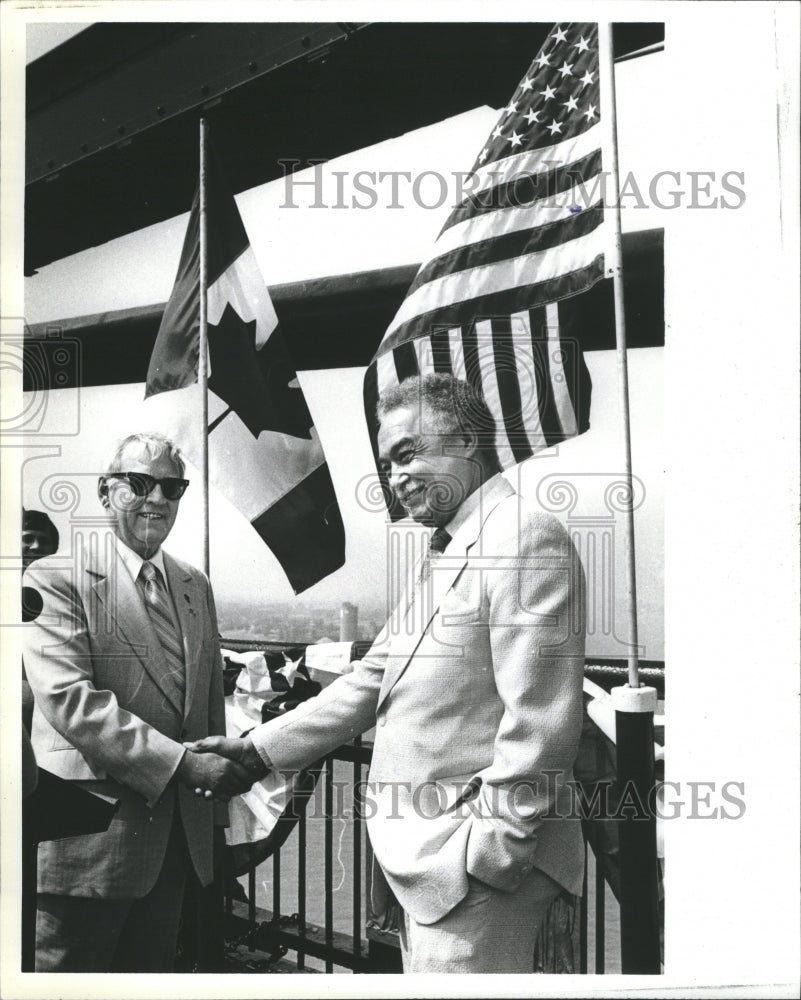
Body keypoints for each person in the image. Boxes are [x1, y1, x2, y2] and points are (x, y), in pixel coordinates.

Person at [189, 373, 587, 973]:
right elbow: (374, 677)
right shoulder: (452, 549)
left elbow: (540, 724)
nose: (395, 478)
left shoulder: (524, 537)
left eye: (408, 453)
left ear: (469, 444)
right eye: (388, 462)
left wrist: (492, 857)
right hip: (430, 869)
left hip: (474, 874)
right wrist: (255, 753)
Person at [22, 432, 254, 972]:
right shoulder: (56, 578)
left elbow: (207, 706)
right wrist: (186, 764)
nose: (157, 499)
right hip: (90, 839)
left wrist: (214, 824)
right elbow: (70, 701)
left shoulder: (195, 584)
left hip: (176, 843)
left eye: (171, 487)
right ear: (106, 492)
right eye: (139, 484)